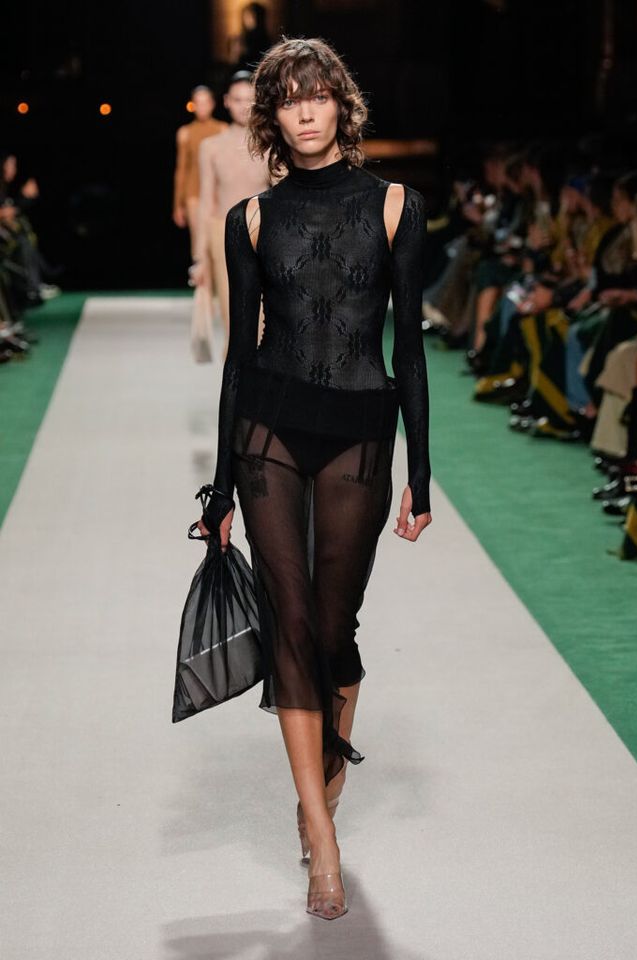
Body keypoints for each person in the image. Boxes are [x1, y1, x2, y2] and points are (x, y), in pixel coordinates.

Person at [194, 37, 433, 920]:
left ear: (341, 106)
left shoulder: (397, 205)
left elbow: (410, 350)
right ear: (272, 114)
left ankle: (326, 780)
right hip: (270, 433)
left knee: (334, 629)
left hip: (360, 431)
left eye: (318, 94)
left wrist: (422, 473)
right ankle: (320, 833)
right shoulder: (252, 219)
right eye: (288, 97)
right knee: (290, 625)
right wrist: (221, 487)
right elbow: (239, 359)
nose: (304, 110)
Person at [192, 71, 271, 351]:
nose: (243, 106)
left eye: (250, 100)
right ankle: (236, 378)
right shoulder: (210, 147)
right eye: (237, 100)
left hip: (264, 234)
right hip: (223, 235)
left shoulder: (271, 145)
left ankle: (260, 377)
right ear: (226, 101)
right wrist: (199, 257)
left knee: (266, 321)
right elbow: (206, 201)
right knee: (234, 319)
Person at [173, 86, 228, 258]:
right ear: (193, 105)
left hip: (217, 194)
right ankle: (201, 274)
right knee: (198, 243)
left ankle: (218, 275)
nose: (202, 107)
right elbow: (181, 169)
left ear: (212, 104)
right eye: (198, 103)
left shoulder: (222, 129)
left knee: (218, 240)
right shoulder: (185, 133)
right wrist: (177, 204)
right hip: (193, 193)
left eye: (205, 102)